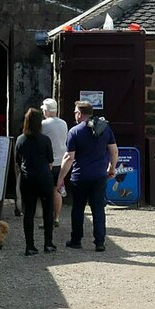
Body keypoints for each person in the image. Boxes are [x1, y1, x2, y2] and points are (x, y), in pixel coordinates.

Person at [57, 101, 118, 252]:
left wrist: (60, 178)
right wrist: (112, 167)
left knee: (78, 208)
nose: (74, 115)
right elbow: (114, 151)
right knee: (98, 209)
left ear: (79, 114)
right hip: (99, 175)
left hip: (80, 177)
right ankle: (100, 242)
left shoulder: (74, 132)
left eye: (75, 112)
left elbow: (69, 158)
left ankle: (76, 240)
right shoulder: (105, 128)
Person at [15, 108, 57, 256]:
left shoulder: (20, 139)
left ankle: (30, 246)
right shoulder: (45, 140)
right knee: (48, 210)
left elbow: (18, 161)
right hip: (44, 178)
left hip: (28, 179)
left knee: (29, 212)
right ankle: (48, 243)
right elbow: (50, 162)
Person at [41, 98, 69, 229]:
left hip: (48, 162)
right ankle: (56, 217)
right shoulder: (63, 123)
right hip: (62, 162)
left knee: (46, 192)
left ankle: (47, 219)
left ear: (46, 111)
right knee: (57, 190)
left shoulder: (43, 124)